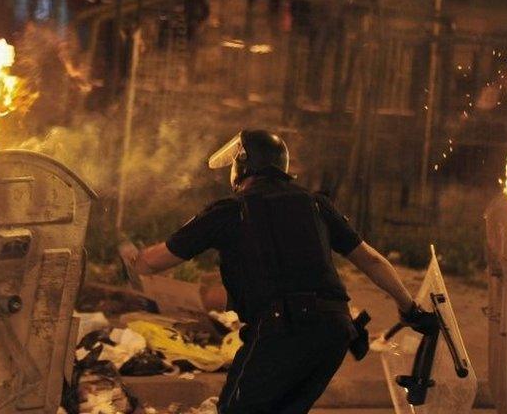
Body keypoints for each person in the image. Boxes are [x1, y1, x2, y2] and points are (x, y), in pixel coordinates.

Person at [120, 130, 435, 414]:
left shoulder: (231, 210)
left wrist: (129, 253)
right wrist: (410, 308)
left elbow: (153, 262)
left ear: (242, 165)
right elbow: (372, 261)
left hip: (280, 331)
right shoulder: (316, 205)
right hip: (334, 333)